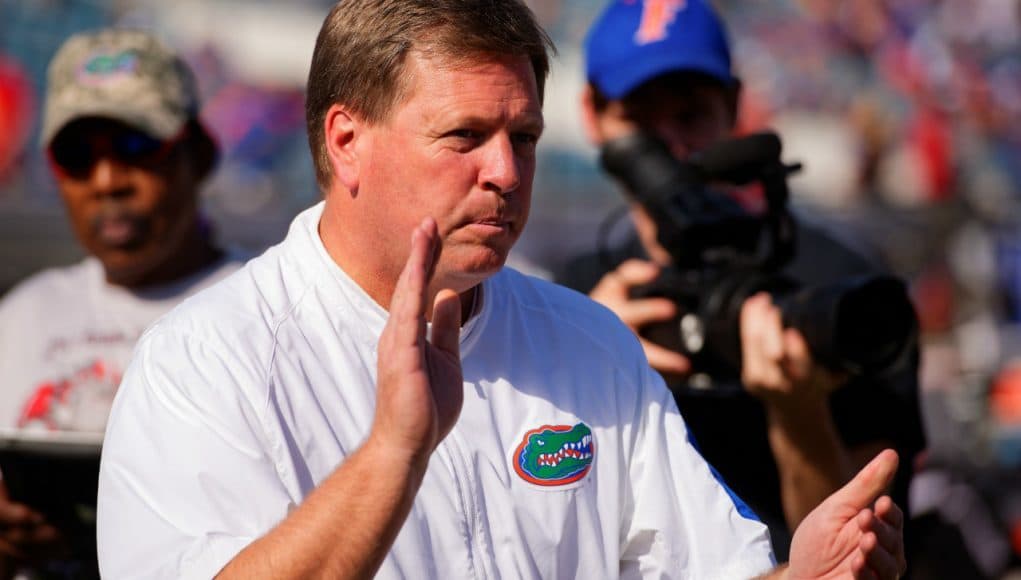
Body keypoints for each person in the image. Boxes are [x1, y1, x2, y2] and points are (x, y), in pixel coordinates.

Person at [97, 1, 906, 578]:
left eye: (523, 137)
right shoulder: (204, 362)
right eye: (464, 137)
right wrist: (393, 453)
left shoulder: (589, 341)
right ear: (346, 140)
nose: (506, 173)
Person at [554, 0, 926, 562]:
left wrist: (800, 414)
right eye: (639, 120)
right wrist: (582, 367)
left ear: (733, 107)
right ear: (593, 116)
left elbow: (865, 556)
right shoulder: (570, 299)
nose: (669, 150)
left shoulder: (841, 289)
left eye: (690, 115)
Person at [0, 29, 241, 576]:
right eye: (77, 156)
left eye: (136, 145)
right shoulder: (18, 318)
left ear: (199, 154)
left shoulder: (272, 306)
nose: (107, 181)